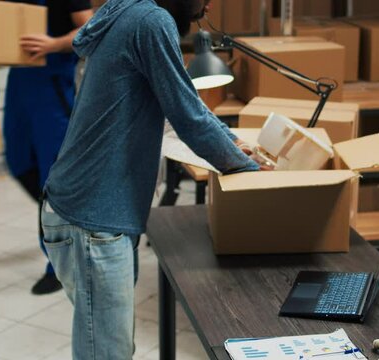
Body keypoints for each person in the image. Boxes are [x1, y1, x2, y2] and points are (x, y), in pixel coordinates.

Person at [40, 0, 262, 357]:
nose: (209, 4)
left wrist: (233, 142)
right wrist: (251, 171)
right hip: (92, 218)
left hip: (84, 209)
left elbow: (181, 100)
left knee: (110, 348)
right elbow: (188, 116)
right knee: (108, 354)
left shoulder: (131, 12)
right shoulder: (151, 21)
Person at [2, 0, 93, 295]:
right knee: (17, 161)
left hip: (52, 84)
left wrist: (54, 44)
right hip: (19, 79)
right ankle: (70, 221)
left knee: (52, 181)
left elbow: (89, 27)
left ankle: (60, 263)